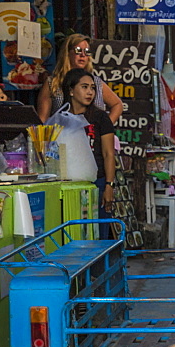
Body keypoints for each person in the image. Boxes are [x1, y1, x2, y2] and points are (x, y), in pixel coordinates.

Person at [61, 68, 116, 232]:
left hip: (97, 182)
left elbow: (108, 154)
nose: (89, 92)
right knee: (74, 232)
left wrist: (109, 185)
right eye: (84, 87)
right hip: (69, 184)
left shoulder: (100, 117)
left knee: (99, 232)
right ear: (71, 90)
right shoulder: (61, 118)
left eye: (92, 88)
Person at [37, 34, 123, 125]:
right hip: (64, 135)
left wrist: (105, 128)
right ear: (67, 53)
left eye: (87, 51)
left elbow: (117, 105)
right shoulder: (53, 82)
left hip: (92, 135)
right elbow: (43, 119)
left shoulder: (96, 82)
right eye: (78, 50)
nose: (82, 55)